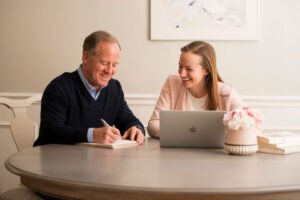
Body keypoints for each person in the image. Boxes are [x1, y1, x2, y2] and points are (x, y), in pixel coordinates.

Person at [34, 30, 145, 146]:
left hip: (93, 162)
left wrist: (136, 129)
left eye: (114, 64)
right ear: (85, 57)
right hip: (55, 161)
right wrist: (91, 135)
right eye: (104, 63)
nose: (109, 70)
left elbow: (130, 121)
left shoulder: (114, 88)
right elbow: (50, 131)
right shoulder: (59, 88)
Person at [147, 41, 243, 138]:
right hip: (178, 152)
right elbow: (153, 125)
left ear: (206, 70)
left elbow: (248, 124)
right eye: (180, 66)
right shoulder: (172, 84)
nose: (182, 74)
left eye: (189, 69)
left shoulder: (226, 93)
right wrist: (185, 135)